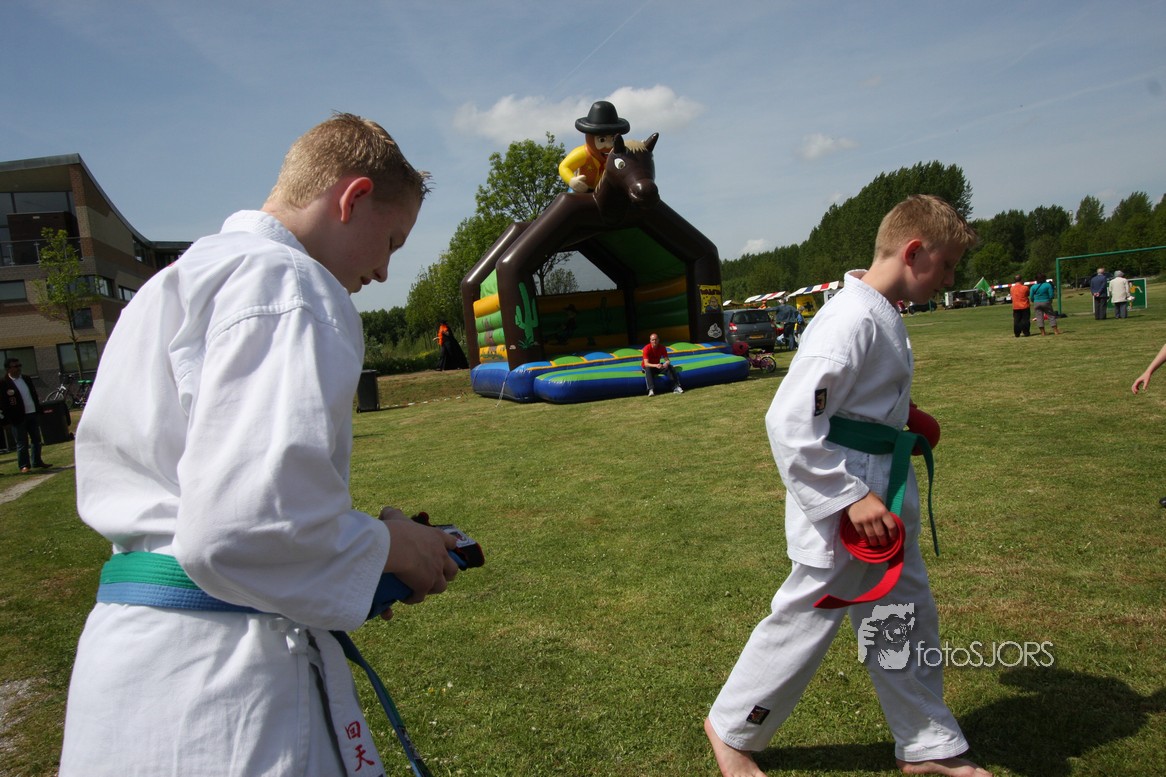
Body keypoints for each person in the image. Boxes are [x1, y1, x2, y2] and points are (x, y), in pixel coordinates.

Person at [60, 113, 463, 777]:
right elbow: (244, 530)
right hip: (225, 688)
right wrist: (393, 546)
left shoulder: (173, 284)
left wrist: (359, 555)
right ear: (353, 197)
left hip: (131, 667)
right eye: (390, 241)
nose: (385, 270)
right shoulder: (290, 284)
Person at [705, 195, 991, 777]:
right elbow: (789, 421)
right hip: (850, 500)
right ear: (914, 252)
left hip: (884, 493)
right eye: (947, 265)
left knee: (904, 613)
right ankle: (732, 729)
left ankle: (926, 744)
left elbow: (848, 400)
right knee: (808, 615)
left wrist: (900, 418)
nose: (950, 279)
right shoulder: (852, 318)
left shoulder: (877, 311)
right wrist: (849, 497)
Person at [558, 100, 630, 193]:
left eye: (613, 140)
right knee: (568, 199)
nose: (609, 145)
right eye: (602, 140)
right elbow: (564, 166)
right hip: (582, 190)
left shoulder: (618, 156)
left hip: (605, 192)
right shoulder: (583, 154)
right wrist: (572, 180)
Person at [0, 357, 50, 473]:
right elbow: (3, 403)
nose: (18, 368)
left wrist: (38, 410)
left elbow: (33, 395)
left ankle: (37, 461)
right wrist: (6, 420)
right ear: (8, 369)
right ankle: (24, 465)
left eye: (19, 366)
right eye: (15, 366)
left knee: (36, 440)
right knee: (22, 442)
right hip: (17, 417)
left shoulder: (26, 379)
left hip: (32, 413)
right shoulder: (3, 383)